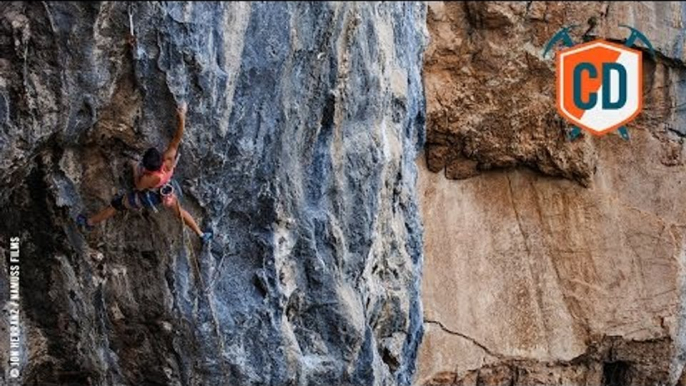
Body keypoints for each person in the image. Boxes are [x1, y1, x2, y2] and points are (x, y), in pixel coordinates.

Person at [77, 102, 212, 242]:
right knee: (180, 213)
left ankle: (89, 222)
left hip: (150, 196)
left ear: (149, 168)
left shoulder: (152, 177)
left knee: (117, 204)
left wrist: (135, 168)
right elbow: (177, 138)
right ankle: (201, 234)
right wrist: (182, 117)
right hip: (166, 188)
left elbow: (139, 187)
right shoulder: (168, 159)